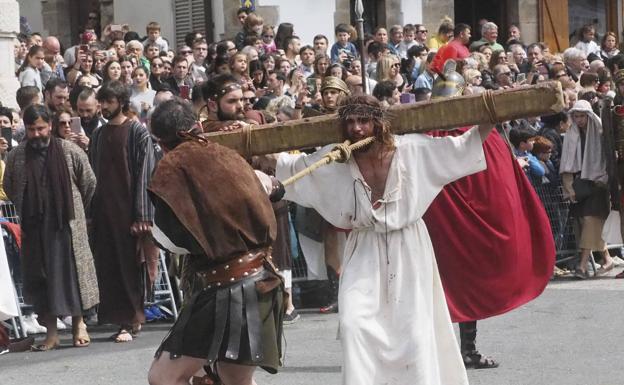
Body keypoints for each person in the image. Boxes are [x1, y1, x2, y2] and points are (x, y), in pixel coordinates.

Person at [276, 94, 494, 384]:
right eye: (350, 122)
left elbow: (465, 146)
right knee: (355, 326)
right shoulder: (335, 158)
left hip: (409, 247)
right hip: (363, 249)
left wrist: (493, 111)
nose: (356, 129)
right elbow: (292, 169)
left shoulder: (413, 149)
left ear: (378, 123)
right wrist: (247, 141)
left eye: (363, 121)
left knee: (414, 333)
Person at [146, 98, 285, 385]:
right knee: (235, 380)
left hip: (226, 288)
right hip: (263, 280)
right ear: (198, 126)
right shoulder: (229, 155)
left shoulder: (171, 169)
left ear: (160, 143)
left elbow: (172, 240)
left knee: (164, 377)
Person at [4, 104, 98, 351]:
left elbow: (88, 182)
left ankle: (79, 325)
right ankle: (52, 333)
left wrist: (74, 209)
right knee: (41, 278)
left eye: (41, 128)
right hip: (35, 228)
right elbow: (11, 186)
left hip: (66, 225)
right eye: (31, 129)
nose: (36, 134)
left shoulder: (69, 151)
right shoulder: (17, 156)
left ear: (50, 127)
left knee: (71, 276)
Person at [89, 81, 156, 342]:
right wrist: (91, 212)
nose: (104, 106)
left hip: (129, 211)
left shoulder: (137, 132)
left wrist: (142, 215)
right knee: (109, 266)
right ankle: (120, 319)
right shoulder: (98, 135)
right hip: (105, 212)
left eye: (109, 101)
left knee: (130, 265)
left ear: (121, 101)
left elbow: (144, 174)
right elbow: (93, 176)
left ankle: (131, 320)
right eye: (102, 101)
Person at [560, 100, 615, 278]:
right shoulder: (571, 134)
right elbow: (567, 163)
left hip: (598, 184)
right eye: (576, 116)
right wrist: (569, 188)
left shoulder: (600, 132)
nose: (579, 120)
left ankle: (582, 267)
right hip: (580, 185)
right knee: (586, 224)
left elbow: (608, 156)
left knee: (591, 221)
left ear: (589, 116)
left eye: (582, 116)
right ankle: (607, 259)